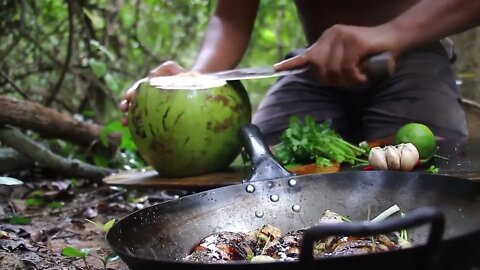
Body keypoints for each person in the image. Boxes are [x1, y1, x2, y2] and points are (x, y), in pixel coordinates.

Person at [120, 0, 480, 145]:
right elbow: (230, 17)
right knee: (263, 168)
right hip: (312, 69)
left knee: (431, 178)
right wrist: (196, 77)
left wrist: (394, 33)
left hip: (410, 58)